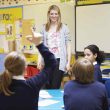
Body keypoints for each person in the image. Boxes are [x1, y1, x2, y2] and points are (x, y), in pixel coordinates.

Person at [0, 31, 57, 110]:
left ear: (6, 66)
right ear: (25, 68)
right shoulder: (32, 84)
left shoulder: (2, 84)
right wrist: (39, 44)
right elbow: (52, 62)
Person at [38, 5, 71, 89]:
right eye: (52, 14)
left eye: (56, 14)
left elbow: (68, 45)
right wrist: (39, 60)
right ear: (48, 14)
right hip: (47, 60)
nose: (54, 16)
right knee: (46, 85)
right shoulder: (44, 28)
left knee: (55, 85)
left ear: (59, 15)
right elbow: (40, 45)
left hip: (59, 60)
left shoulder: (64, 28)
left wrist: (68, 62)